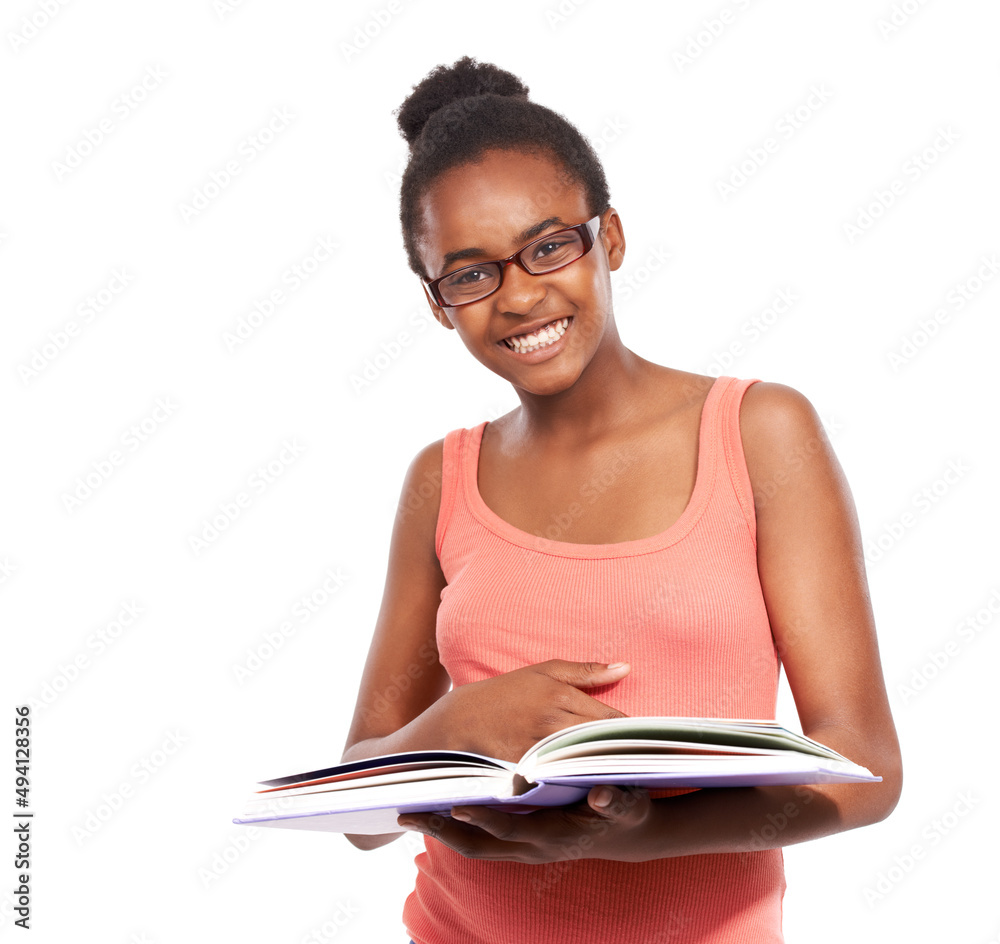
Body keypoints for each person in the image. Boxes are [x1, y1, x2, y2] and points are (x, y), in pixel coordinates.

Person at [339, 55, 902, 944]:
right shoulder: (437, 481)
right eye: (470, 273)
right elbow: (362, 813)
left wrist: (646, 833)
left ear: (610, 238)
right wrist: (455, 723)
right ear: (438, 303)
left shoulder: (759, 432)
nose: (519, 296)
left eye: (548, 246)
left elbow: (864, 769)